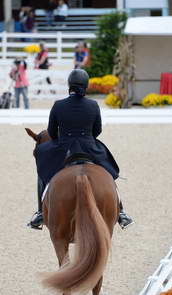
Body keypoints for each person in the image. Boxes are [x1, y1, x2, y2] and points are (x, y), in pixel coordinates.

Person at [27, 69, 134, 230]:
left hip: (64, 149)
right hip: (89, 147)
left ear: (69, 86)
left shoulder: (58, 105)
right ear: (86, 85)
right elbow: (97, 131)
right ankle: (121, 212)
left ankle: (41, 212)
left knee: (42, 166)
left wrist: (61, 138)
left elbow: (51, 132)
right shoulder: (93, 105)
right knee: (108, 171)